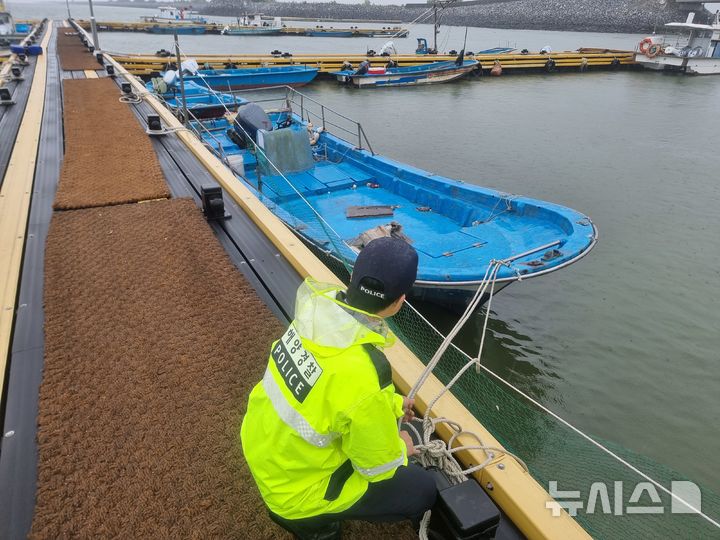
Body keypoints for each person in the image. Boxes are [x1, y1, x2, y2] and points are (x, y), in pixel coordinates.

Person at [241, 237, 437, 539]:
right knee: (421, 489)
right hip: (296, 495)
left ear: (352, 278)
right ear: (401, 301)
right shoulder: (366, 370)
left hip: (265, 453)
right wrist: (403, 448)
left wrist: (393, 405)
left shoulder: (313, 317)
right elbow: (379, 467)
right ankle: (317, 526)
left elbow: (333, 396)